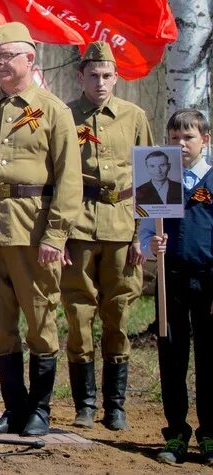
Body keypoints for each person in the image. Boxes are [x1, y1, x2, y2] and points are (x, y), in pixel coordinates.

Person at [0, 22, 82, 437]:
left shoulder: (53, 111)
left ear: (30, 59)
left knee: (40, 321)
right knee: (2, 328)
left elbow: (68, 180)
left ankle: (40, 410)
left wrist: (55, 235)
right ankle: (14, 407)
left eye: (7, 56)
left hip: (34, 233)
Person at [61, 41, 153, 431]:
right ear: (80, 76)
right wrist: (58, 235)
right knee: (79, 317)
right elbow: (55, 176)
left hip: (120, 227)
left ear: (116, 77)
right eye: (93, 75)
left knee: (117, 314)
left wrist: (141, 235)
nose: (101, 83)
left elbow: (152, 177)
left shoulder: (134, 117)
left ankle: (115, 406)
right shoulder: (64, 116)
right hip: (78, 225)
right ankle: (84, 403)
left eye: (107, 76)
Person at [148, 109, 213, 465]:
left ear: (205, 139)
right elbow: (145, 231)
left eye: (188, 137)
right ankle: (175, 432)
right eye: (174, 138)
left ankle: (210, 434)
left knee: (209, 357)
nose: (181, 144)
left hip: (208, 281)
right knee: (172, 355)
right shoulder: (159, 176)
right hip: (168, 278)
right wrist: (149, 246)